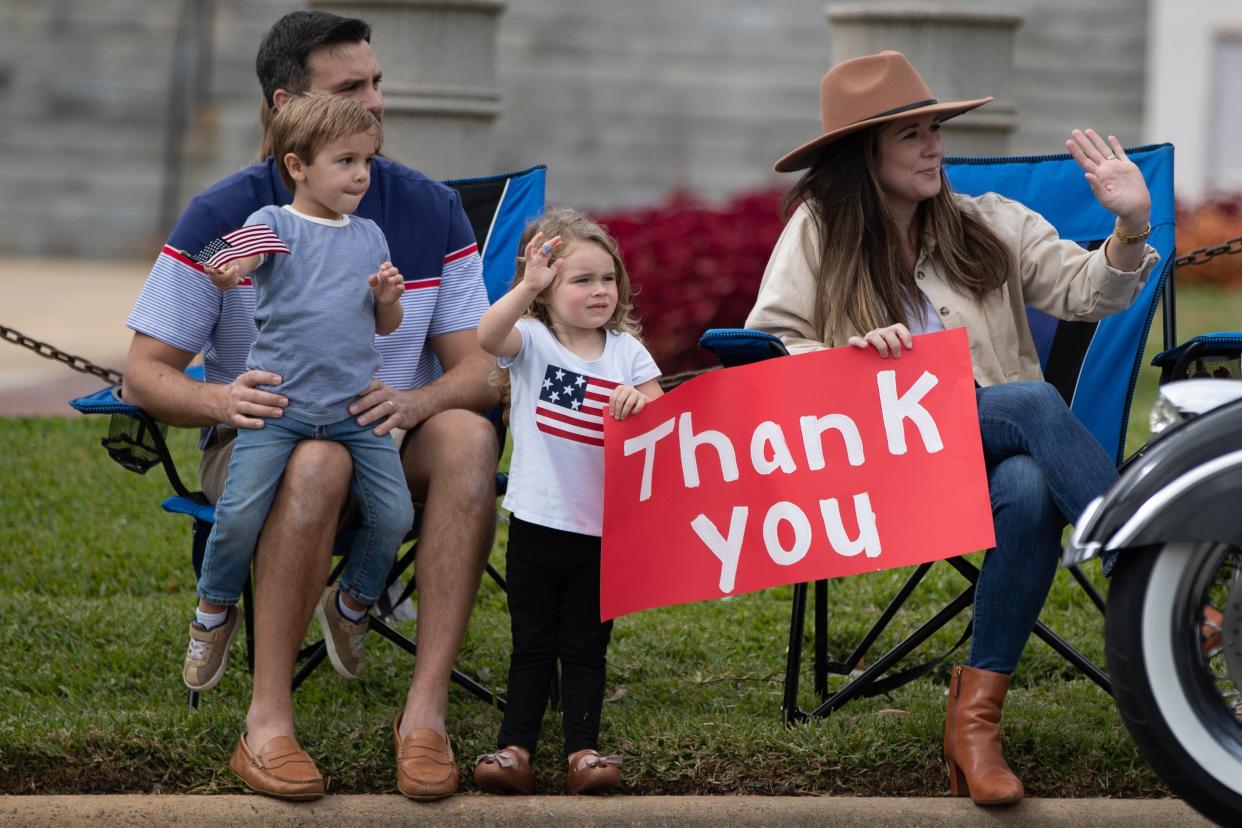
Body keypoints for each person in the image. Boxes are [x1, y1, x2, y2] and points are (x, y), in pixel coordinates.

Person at [746, 51, 1159, 806]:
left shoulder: (986, 221)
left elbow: (1086, 290)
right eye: (912, 135)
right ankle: (1155, 571)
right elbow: (771, 345)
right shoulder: (819, 233)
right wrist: (848, 359)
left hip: (986, 455)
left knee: (1031, 484)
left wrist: (1130, 224)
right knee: (1034, 403)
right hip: (883, 462)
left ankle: (974, 726)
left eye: (935, 128)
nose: (936, 145)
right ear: (862, 153)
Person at [124, 10, 499, 802]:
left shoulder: (426, 209)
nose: (377, 103)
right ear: (289, 106)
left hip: (384, 431)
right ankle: (267, 724)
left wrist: (414, 398)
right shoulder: (229, 216)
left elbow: (479, 372)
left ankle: (423, 716)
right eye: (351, 89)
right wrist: (221, 396)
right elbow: (145, 374)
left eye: (377, 82)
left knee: (466, 436)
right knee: (318, 459)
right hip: (267, 436)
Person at [184, 93, 414, 698]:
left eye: (368, 161)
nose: (361, 174)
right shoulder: (274, 225)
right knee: (236, 516)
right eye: (345, 161)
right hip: (280, 410)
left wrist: (388, 298)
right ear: (297, 166)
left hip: (352, 413)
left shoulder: (369, 236)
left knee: (396, 514)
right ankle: (213, 612)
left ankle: (351, 604)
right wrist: (231, 268)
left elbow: (385, 327)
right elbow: (239, 261)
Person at [472, 208, 662, 795]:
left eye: (607, 278)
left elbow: (660, 408)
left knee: (585, 646)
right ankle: (515, 749)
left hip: (603, 532)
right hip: (536, 525)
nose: (600, 291)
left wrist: (640, 399)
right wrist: (525, 283)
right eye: (581, 280)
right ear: (546, 293)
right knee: (531, 644)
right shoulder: (531, 340)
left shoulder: (625, 351)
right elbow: (486, 335)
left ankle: (583, 752)